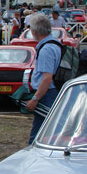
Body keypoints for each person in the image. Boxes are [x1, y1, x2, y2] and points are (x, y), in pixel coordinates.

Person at [22, 14, 61, 144]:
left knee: (39, 132)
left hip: (46, 94)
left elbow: (47, 78)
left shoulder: (46, 49)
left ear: (34, 31)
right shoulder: (55, 44)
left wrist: (35, 98)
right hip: (50, 92)